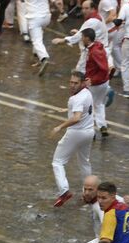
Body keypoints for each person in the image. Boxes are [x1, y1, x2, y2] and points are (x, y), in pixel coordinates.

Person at [50, 71, 94, 208]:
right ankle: (89, 193)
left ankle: (64, 191)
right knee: (84, 163)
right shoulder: (87, 92)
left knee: (57, 162)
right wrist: (68, 109)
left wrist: (59, 127)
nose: (72, 85)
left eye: (75, 83)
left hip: (76, 133)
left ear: (82, 83)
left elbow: (76, 118)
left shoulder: (77, 99)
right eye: (71, 82)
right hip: (89, 132)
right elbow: (82, 110)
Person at [77, 28, 110, 137]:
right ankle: (102, 125)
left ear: (87, 38)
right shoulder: (98, 47)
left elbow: (104, 68)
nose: (81, 39)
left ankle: (91, 130)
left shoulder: (94, 52)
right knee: (99, 104)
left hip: (95, 84)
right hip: (103, 83)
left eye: (82, 37)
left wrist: (92, 79)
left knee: (89, 106)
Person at [24, 0, 51, 75]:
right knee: (39, 35)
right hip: (46, 16)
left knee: (36, 41)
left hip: (34, 18)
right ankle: (38, 57)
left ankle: (44, 58)